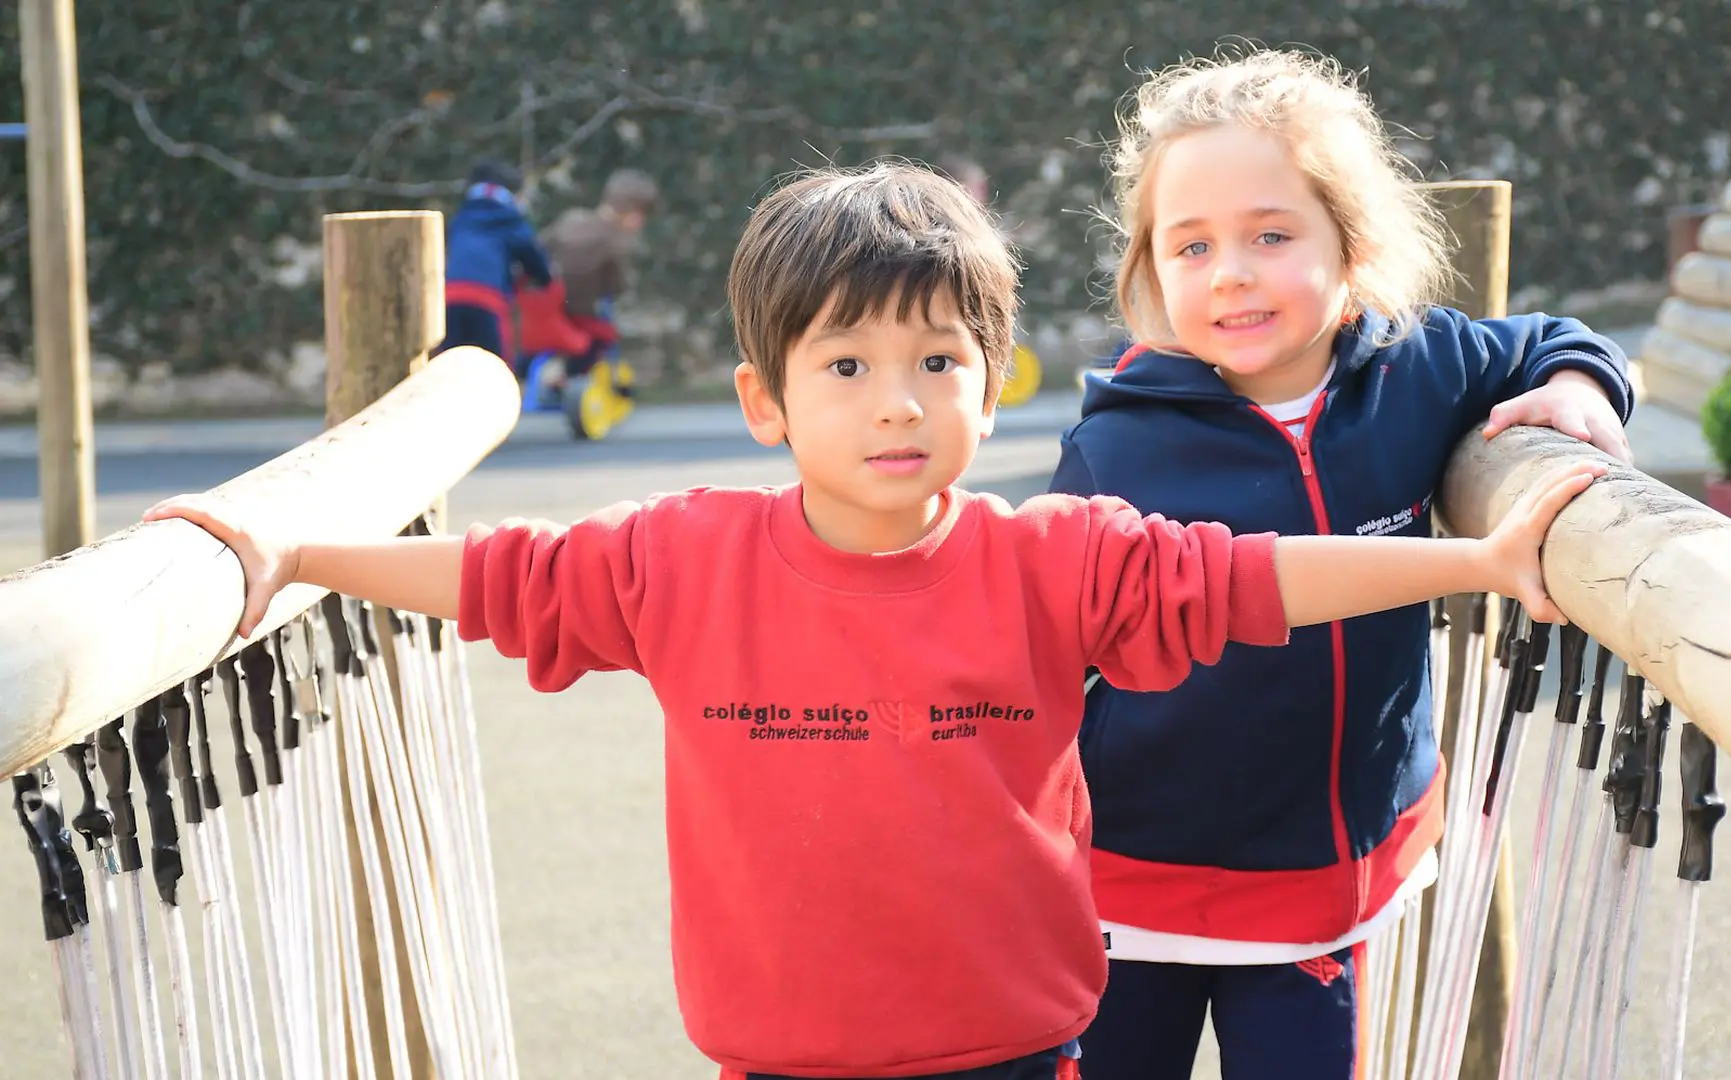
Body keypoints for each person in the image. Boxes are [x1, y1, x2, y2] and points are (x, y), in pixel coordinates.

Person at [144, 161, 1605, 1080]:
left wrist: (1477, 569)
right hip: (779, 1058)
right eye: (843, 365)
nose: (896, 400)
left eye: (936, 359)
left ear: (996, 381)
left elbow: (1258, 577)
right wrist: (297, 551)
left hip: (1026, 1052)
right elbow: (498, 578)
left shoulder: (1055, 560)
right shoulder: (684, 558)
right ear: (764, 402)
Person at [1046, 49, 1636, 1080]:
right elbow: (1052, 645)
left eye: (1271, 235)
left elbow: (1550, 338)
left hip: (1324, 889)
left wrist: (1582, 387)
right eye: (1191, 247)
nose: (1230, 271)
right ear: (1150, 269)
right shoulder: (1117, 446)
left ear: (1351, 243)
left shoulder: (1418, 369)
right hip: (1136, 886)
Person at [537, 169, 660, 377]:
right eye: (640, 215)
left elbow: (539, 248)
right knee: (605, 336)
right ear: (629, 210)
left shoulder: (571, 219)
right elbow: (617, 285)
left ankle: (553, 372)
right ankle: (571, 377)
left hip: (543, 305)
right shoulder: (615, 241)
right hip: (579, 315)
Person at [441, 159, 552, 367]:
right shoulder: (512, 221)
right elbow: (536, 262)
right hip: (489, 301)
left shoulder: (461, 217)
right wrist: (543, 278)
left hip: (450, 298)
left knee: (447, 368)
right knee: (496, 370)